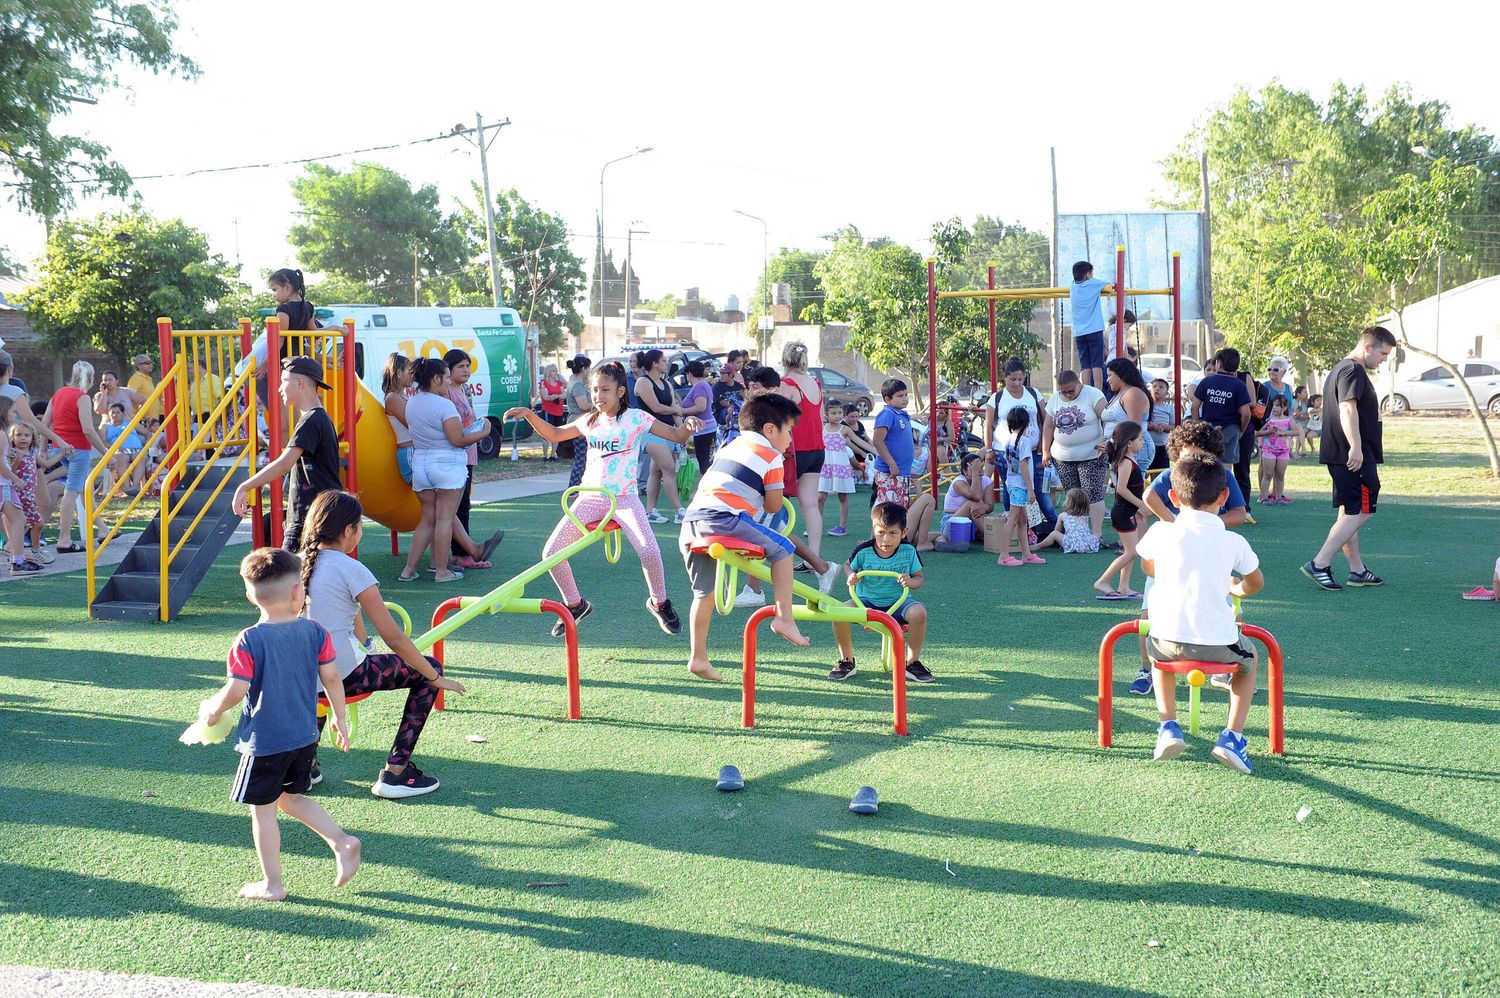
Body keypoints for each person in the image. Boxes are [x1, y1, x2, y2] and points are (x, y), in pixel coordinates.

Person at [196, 547, 360, 900]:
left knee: (263, 811)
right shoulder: (315, 631)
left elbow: (237, 689)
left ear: (249, 595)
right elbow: (331, 678)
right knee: (290, 799)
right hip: (304, 735)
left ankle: (273, 884)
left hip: (266, 740)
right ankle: (342, 841)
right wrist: (340, 718)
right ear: (298, 593)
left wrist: (212, 711)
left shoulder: (249, 640)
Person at [504, 362, 699, 637]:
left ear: (620, 391)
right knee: (551, 553)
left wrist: (688, 426)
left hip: (624, 499)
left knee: (650, 551)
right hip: (589, 497)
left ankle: (660, 602)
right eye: (595, 389)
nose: (598, 396)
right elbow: (557, 434)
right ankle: (575, 604)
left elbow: (677, 435)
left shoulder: (636, 419)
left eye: (605, 390)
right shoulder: (589, 420)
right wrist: (529, 415)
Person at [299, 490, 468, 798]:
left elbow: (350, 614)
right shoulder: (352, 569)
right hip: (345, 676)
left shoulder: (294, 566)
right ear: (349, 530)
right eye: (359, 526)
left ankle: (303, 766)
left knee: (316, 685)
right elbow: (395, 637)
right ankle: (397, 772)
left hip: (299, 678)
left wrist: (365, 642)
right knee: (428, 666)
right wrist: (434, 677)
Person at [1136, 454, 1264, 774]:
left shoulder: (1160, 533)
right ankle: (1232, 737)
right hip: (1218, 645)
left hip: (1166, 641)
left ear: (1174, 498)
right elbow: (1255, 582)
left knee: (1157, 656)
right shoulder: (1233, 540)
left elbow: (1146, 566)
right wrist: (1236, 590)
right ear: (1223, 497)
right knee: (1251, 658)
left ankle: (1168, 725)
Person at [679, 394, 810, 682]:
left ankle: (698, 657)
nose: (790, 439)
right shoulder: (772, 456)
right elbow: (775, 507)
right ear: (770, 430)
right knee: (784, 549)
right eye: (789, 430)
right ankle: (784, 617)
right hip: (724, 519)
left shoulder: (729, 446)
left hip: (691, 523)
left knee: (704, 594)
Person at [1302, 326, 1396, 592]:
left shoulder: (1342, 369)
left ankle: (1356, 571)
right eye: (1382, 353)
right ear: (1367, 347)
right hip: (1352, 456)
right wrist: (1356, 447)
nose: (1384, 359)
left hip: (1345, 454)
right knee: (1361, 510)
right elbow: (1347, 407)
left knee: (1349, 511)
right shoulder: (1351, 370)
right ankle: (1319, 563)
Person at [392, 357, 501, 583]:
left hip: (420, 464)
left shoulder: (412, 402)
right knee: (444, 519)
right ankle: (441, 571)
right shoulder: (444, 405)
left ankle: (407, 571)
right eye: (447, 377)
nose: (449, 381)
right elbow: (458, 439)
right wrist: (484, 431)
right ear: (436, 378)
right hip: (446, 465)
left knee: (427, 519)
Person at [231, 357, 343, 553]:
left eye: (284, 381)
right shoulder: (318, 418)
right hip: (319, 516)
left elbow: (284, 464)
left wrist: (245, 485)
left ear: (300, 383)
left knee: (288, 579)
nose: (279, 388)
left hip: (311, 518)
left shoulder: (311, 420)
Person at [829, 501, 932, 683]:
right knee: (839, 613)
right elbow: (847, 565)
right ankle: (847, 660)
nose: (886, 539)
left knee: (919, 612)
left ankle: (912, 662)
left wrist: (910, 581)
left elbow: (919, 578)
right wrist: (851, 575)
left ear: (904, 533)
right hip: (865, 602)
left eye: (893, 533)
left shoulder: (908, 550)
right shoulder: (863, 550)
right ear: (874, 529)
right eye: (881, 533)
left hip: (898, 603)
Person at [41, 360, 108, 553]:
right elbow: (88, 429)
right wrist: (106, 452)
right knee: (71, 492)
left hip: (59, 448)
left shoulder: (58, 393)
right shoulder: (82, 397)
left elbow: (45, 423)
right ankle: (64, 539)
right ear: (91, 378)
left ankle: (103, 529)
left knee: (83, 489)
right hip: (78, 450)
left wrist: (43, 448)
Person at [981, 358, 1054, 525]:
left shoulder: (1034, 394)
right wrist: (989, 449)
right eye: (1013, 379)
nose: (1016, 383)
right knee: (1011, 485)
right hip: (1005, 450)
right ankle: (1012, 520)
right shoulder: (997, 397)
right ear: (1005, 378)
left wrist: (1045, 447)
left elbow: (1045, 420)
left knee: (1038, 487)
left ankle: (1047, 522)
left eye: (1020, 379)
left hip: (1033, 449)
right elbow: (988, 424)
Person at [442, 348, 497, 569]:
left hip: (468, 453)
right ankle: (461, 553)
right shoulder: (446, 392)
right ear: (448, 369)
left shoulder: (463, 389)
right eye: (460, 366)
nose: (466, 370)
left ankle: (461, 551)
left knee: (464, 504)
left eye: (468, 366)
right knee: (458, 505)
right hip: (456, 454)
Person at [1144, 420, 1251, 530]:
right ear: (1177, 455)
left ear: (1213, 455)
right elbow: (1149, 496)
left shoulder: (1224, 475)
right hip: (1179, 535)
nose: (1196, 462)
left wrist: (1208, 524)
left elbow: (1239, 513)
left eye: (1202, 457)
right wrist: (1173, 521)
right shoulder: (1173, 474)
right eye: (1188, 457)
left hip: (1210, 535)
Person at [1041, 370, 1108, 540]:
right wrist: (1045, 450)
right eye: (1063, 391)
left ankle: (1096, 534)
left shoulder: (1093, 394)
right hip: (1062, 456)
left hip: (1092, 454)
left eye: (1070, 390)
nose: (1067, 394)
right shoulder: (1056, 398)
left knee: (1092, 493)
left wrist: (1108, 441)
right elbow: (1048, 426)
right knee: (1073, 494)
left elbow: (1107, 419)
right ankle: (1077, 532)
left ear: (1079, 383)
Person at [1094, 422, 1150, 599]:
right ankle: (1102, 581)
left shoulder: (1130, 460)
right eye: (1140, 439)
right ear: (1129, 442)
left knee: (1132, 550)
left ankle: (1124, 586)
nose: (1143, 442)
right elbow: (1122, 489)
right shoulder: (1126, 463)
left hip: (1128, 511)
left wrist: (1137, 509)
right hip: (1122, 512)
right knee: (1131, 552)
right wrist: (1141, 504)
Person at [780, 341, 826, 556]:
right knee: (810, 505)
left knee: (776, 502)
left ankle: (780, 553)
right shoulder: (814, 383)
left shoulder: (786, 384)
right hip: (816, 450)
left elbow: (776, 419)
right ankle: (813, 556)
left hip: (795, 452)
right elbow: (820, 417)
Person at [633, 349, 688, 524]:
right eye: (663, 361)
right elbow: (656, 408)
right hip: (650, 431)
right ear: (655, 363)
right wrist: (677, 410)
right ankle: (679, 510)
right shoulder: (643, 382)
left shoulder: (667, 384)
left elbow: (673, 410)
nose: (666, 363)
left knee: (656, 471)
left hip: (668, 431)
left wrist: (682, 433)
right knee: (669, 468)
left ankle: (650, 512)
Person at [995, 407, 1045, 567]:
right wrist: (1030, 489)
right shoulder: (1023, 442)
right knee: (1013, 519)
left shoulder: (1010, 440)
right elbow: (1023, 466)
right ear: (1027, 423)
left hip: (1012, 483)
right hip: (1020, 486)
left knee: (1023, 520)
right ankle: (1003, 555)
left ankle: (1026, 553)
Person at [1192, 347, 1252, 474]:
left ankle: (1208, 492)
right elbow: (1246, 413)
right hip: (1231, 429)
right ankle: (1225, 491)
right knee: (1226, 470)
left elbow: (1195, 406)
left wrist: (1198, 425)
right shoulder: (1239, 385)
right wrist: (1241, 429)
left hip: (1208, 430)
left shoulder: (1207, 381)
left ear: (1219, 363)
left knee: (1207, 465)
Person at [0, 397, 38, 574]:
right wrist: (15, 479)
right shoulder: (1, 434)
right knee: (18, 519)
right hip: (4, 484)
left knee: (13, 519)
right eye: (13, 411)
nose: (15, 415)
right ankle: (18, 561)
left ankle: (17, 558)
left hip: (5, 483)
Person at [8, 419, 48, 567]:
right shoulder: (12, 453)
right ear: (12, 438)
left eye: (27, 435)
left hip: (29, 496)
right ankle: (32, 551)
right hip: (17, 495)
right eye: (19, 435)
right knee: (36, 522)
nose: (23, 438)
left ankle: (24, 551)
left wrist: (63, 453)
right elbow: (9, 472)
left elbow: (47, 464)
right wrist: (17, 459)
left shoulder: (32, 453)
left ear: (32, 438)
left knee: (28, 523)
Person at [1101, 358, 1155, 471]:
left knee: (1130, 487)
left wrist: (1111, 442)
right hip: (1120, 448)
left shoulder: (1133, 393)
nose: (1107, 380)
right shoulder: (1119, 394)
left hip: (1133, 448)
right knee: (1119, 486)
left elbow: (1133, 428)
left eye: (1110, 375)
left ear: (1120, 375)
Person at [871, 378, 914, 507]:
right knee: (887, 509)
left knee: (898, 508)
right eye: (900, 396)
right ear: (887, 399)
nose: (905, 398)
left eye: (906, 395)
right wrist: (891, 464)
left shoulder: (900, 414)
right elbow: (877, 441)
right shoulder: (887, 414)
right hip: (889, 472)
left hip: (901, 471)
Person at [818, 399, 858, 536]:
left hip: (841, 467)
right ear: (826, 414)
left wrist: (875, 451)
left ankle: (842, 526)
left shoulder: (845, 429)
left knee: (842, 496)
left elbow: (858, 443)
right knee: (820, 497)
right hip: (825, 466)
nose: (837, 416)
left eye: (840, 412)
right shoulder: (821, 427)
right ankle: (815, 526)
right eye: (834, 413)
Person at [1069, 261, 1109, 389]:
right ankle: (1098, 391)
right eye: (1091, 273)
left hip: (1079, 333)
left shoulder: (1073, 286)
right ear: (1087, 274)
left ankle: (1086, 391)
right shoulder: (1093, 283)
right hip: (1094, 330)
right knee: (1097, 364)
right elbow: (1108, 285)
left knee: (1085, 365)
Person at [940, 452, 994, 536]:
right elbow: (976, 497)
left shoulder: (987, 481)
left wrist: (985, 507)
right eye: (973, 468)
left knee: (980, 508)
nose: (978, 470)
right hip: (951, 524)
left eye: (979, 467)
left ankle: (991, 536)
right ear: (965, 471)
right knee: (974, 504)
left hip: (972, 521)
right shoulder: (959, 483)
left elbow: (990, 506)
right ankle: (992, 538)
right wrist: (975, 474)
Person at [1033, 488, 1100, 554]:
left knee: (1054, 534)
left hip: (1073, 545)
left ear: (1069, 503)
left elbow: (1057, 531)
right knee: (1096, 534)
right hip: (1088, 544)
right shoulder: (1085, 517)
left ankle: (1038, 546)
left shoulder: (1063, 515)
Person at [382, 353, 415, 485]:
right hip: (409, 452)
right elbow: (412, 424)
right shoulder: (393, 398)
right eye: (409, 370)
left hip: (414, 450)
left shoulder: (402, 396)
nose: (412, 374)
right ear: (398, 373)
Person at [681, 360, 719, 475]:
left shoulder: (699, 386)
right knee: (706, 460)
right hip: (706, 427)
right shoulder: (704, 385)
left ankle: (707, 486)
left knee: (704, 462)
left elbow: (701, 407)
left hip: (703, 428)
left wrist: (682, 410)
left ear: (690, 374)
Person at [1256, 396, 1294, 505]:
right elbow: (1259, 432)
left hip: (1283, 451)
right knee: (1268, 474)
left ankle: (1278, 497)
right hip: (1269, 450)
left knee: (1280, 475)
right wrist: (1268, 432)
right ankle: (1264, 497)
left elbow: (1296, 431)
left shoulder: (1288, 419)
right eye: (1273, 405)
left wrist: (1284, 432)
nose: (1274, 408)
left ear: (1285, 407)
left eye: (1278, 405)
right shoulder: (1270, 420)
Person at [101, 402, 145, 494]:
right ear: (108, 414)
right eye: (112, 412)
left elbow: (147, 433)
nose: (115, 415)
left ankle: (134, 487)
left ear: (122, 413)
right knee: (122, 459)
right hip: (118, 451)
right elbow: (103, 442)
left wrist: (147, 445)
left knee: (140, 457)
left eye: (118, 412)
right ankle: (128, 488)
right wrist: (116, 446)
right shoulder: (105, 427)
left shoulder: (130, 423)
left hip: (136, 449)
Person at [564, 355, 593, 486]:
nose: (589, 371)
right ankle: (574, 487)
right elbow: (583, 406)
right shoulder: (577, 385)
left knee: (583, 457)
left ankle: (577, 486)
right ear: (583, 369)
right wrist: (599, 404)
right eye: (588, 368)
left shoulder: (575, 381)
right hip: (579, 422)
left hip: (579, 422)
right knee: (582, 458)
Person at [713, 351, 746, 445]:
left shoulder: (738, 386)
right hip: (722, 414)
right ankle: (728, 426)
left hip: (738, 410)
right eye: (721, 373)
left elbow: (746, 397)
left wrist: (744, 398)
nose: (721, 376)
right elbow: (723, 403)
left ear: (731, 375)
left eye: (724, 374)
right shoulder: (717, 386)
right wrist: (737, 405)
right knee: (731, 410)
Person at [1145, 377, 1176, 470]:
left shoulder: (1169, 408)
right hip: (1147, 445)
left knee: (1160, 471)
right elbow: (1141, 423)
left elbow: (1174, 426)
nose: (1157, 389)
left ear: (1166, 393)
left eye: (1161, 387)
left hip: (1163, 446)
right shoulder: (1146, 406)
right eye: (1154, 386)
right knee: (1146, 470)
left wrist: (1164, 427)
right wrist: (1152, 426)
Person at [538, 363, 567, 461]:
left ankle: (553, 454)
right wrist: (555, 396)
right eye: (554, 370)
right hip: (548, 411)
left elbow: (564, 395)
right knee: (546, 434)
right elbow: (546, 396)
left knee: (557, 433)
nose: (556, 373)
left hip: (558, 411)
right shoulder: (543, 382)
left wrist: (555, 396)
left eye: (556, 371)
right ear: (549, 372)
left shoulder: (559, 384)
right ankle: (545, 455)